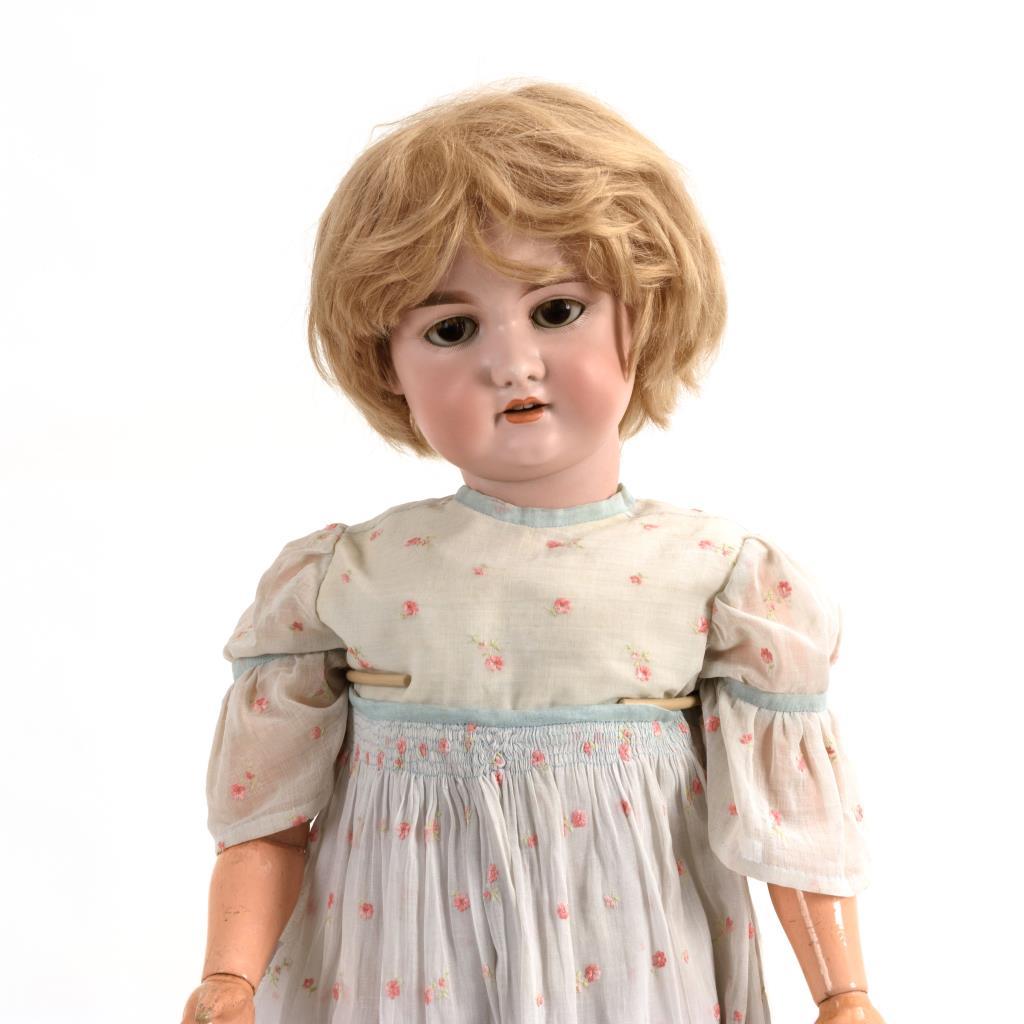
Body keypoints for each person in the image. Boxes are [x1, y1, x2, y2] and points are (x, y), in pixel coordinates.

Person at [181, 81, 885, 1024]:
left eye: (557, 311)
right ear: (388, 362)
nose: (511, 361)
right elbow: (269, 824)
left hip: (632, 963)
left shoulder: (718, 578)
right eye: (451, 328)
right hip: (402, 964)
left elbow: (788, 825)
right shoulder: (348, 580)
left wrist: (843, 992)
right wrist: (227, 978)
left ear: (644, 311)